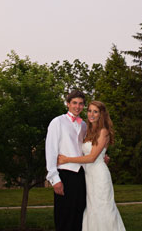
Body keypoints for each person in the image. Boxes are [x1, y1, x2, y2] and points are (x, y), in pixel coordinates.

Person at [58, 100, 126, 231]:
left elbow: (92, 157)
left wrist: (67, 159)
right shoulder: (88, 130)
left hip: (99, 176)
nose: (91, 114)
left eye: (95, 112)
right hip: (88, 176)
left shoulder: (103, 131)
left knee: (103, 208)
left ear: (101, 114)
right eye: (89, 111)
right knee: (92, 209)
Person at [45, 90, 87, 231]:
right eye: (74, 103)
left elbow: (86, 150)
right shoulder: (57, 122)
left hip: (81, 175)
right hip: (64, 175)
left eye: (81, 104)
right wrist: (54, 178)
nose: (77, 106)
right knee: (64, 217)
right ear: (68, 104)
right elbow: (51, 150)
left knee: (79, 215)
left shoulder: (84, 125)